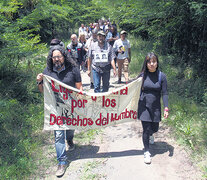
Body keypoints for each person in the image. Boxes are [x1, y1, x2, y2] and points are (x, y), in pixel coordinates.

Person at [36, 46, 83, 177]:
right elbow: (43, 91)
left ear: (64, 57)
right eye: (54, 57)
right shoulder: (48, 71)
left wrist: (80, 98)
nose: (56, 59)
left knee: (70, 129)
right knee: (58, 135)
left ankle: (70, 140)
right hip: (56, 109)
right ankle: (61, 162)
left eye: (59, 56)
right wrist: (39, 81)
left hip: (70, 107)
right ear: (51, 59)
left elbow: (79, 88)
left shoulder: (73, 69)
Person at [137, 52, 169, 164]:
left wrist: (166, 108)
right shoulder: (142, 76)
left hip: (155, 107)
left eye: (154, 61)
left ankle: (151, 134)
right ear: (146, 63)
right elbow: (133, 90)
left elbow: (165, 93)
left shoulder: (162, 76)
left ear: (157, 63)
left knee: (154, 128)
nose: (151, 64)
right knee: (145, 129)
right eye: (149, 62)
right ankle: (146, 151)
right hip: (143, 106)